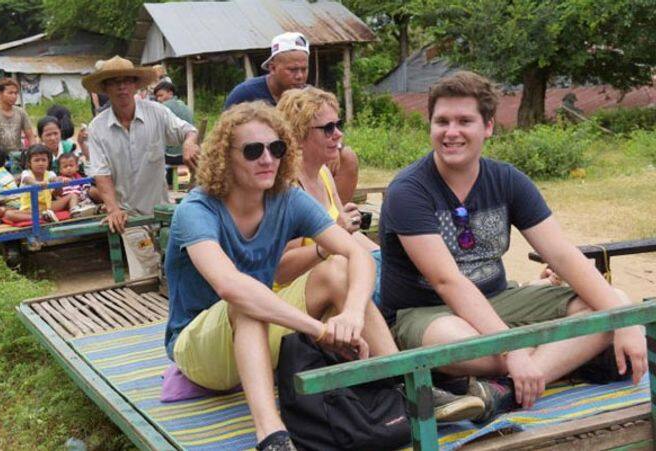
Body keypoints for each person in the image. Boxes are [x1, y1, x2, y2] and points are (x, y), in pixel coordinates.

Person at [165, 102, 482, 451]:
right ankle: (272, 436)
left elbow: (357, 254)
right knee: (248, 301)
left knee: (336, 270)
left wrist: (352, 313)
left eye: (277, 148)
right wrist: (318, 330)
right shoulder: (197, 210)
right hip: (198, 348)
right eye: (253, 151)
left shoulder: (286, 199)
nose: (268, 159)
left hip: (256, 337)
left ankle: (404, 387)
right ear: (225, 157)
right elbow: (230, 286)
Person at [379, 71, 648, 420]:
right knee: (455, 341)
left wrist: (625, 321)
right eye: (441, 121)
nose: (451, 132)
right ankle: (553, 358)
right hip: (426, 313)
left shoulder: (507, 180)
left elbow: (563, 255)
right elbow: (448, 282)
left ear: (488, 126)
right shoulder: (408, 191)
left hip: (499, 298)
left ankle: (500, 391)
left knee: (618, 303)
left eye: (465, 121)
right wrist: (512, 349)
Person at [224, 32, 360, 204]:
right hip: (263, 159)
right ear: (273, 68)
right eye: (293, 70)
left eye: (304, 69)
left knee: (347, 157)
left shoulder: (309, 97)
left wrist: (337, 148)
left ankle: (335, 215)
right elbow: (225, 140)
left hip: (303, 161)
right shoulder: (245, 94)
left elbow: (331, 129)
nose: (300, 76)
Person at [274, 87, 382, 304]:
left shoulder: (322, 173)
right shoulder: (287, 189)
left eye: (338, 125)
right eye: (328, 128)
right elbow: (282, 270)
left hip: (332, 273)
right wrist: (331, 242)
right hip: (298, 291)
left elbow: (343, 231)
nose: (338, 134)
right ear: (298, 136)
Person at [82, 56, 199, 227]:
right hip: (127, 216)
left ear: (136, 85)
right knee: (143, 252)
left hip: (162, 210)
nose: (122, 87)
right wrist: (113, 210)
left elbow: (188, 130)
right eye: (114, 82)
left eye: (127, 81)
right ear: (105, 88)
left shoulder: (157, 112)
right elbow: (102, 174)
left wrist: (189, 143)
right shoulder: (97, 127)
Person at [2, 144, 76, 224]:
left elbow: (57, 190)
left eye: (44, 160)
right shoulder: (26, 173)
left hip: (48, 207)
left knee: (72, 195)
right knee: (9, 214)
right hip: (30, 210)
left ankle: (75, 212)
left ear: (48, 162)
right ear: (29, 163)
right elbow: (27, 180)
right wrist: (36, 183)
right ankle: (42, 217)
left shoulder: (50, 174)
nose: (41, 163)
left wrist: (60, 182)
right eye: (36, 160)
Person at [0, 78, 37, 172]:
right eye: (10, 93)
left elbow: (31, 136)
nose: (14, 96)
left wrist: (33, 153)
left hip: (17, 157)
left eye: (16, 93)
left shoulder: (21, 112)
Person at [153, 79, 194, 184]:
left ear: (170, 93)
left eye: (160, 95)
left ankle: (164, 183)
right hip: (189, 153)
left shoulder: (163, 108)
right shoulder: (184, 105)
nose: (158, 99)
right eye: (157, 97)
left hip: (174, 156)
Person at [56, 152, 100, 217]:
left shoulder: (81, 178)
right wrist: (60, 181)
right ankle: (75, 213)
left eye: (71, 165)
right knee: (74, 196)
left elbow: (87, 188)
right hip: (69, 202)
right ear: (60, 170)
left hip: (84, 199)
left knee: (92, 190)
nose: (68, 168)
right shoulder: (60, 179)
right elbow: (57, 193)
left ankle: (105, 203)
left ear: (77, 167)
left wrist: (83, 194)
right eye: (65, 166)